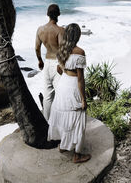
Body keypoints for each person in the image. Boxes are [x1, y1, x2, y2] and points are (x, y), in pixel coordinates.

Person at [48, 23, 91, 163]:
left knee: (63, 115)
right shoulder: (79, 52)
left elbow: (59, 70)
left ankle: (63, 145)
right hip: (72, 86)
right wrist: (84, 99)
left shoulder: (62, 50)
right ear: (77, 36)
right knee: (78, 119)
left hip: (63, 85)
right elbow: (80, 79)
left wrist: (66, 70)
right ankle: (77, 155)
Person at [35, 4, 64, 120]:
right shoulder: (60, 30)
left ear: (47, 14)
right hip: (57, 64)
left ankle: (47, 123)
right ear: (59, 14)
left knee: (47, 96)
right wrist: (61, 64)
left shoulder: (40, 30)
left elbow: (37, 48)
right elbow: (62, 49)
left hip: (47, 62)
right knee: (60, 94)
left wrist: (40, 61)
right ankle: (60, 122)